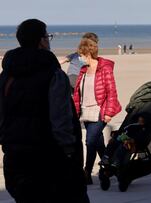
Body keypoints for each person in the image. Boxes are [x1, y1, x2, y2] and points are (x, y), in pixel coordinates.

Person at [0, 19, 89, 202]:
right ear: (42, 41)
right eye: (48, 36)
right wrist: (69, 151)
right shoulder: (53, 74)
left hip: (15, 154)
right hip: (49, 155)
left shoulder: (8, 74)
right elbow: (60, 118)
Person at [73, 36, 122, 185]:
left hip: (99, 112)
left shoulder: (105, 69)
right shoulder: (83, 70)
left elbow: (111, 92)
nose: (79, 58)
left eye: (81, 56)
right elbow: (77, 93)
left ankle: (86, 172)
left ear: (88, 54)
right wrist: (76, 111)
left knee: (90, 141)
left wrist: (108, 113)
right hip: (85, 112)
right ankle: (110, 167)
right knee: (98, 143)